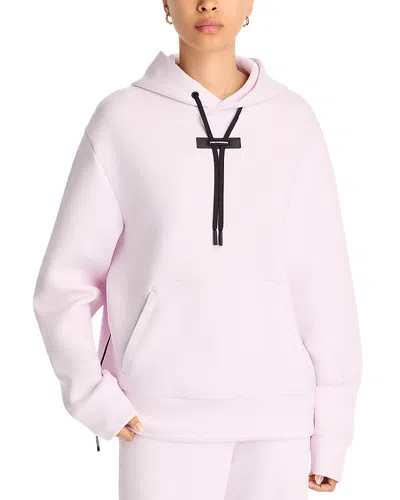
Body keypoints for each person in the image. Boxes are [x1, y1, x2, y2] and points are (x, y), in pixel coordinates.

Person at [32, 1, 363, 498]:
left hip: (279, 424)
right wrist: (92, 395)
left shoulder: (293, 121)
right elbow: (64, 284)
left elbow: (324, 281)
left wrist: (332, 428)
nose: (207, 3)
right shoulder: (121, 119)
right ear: (165, 3)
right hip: (158, 419)